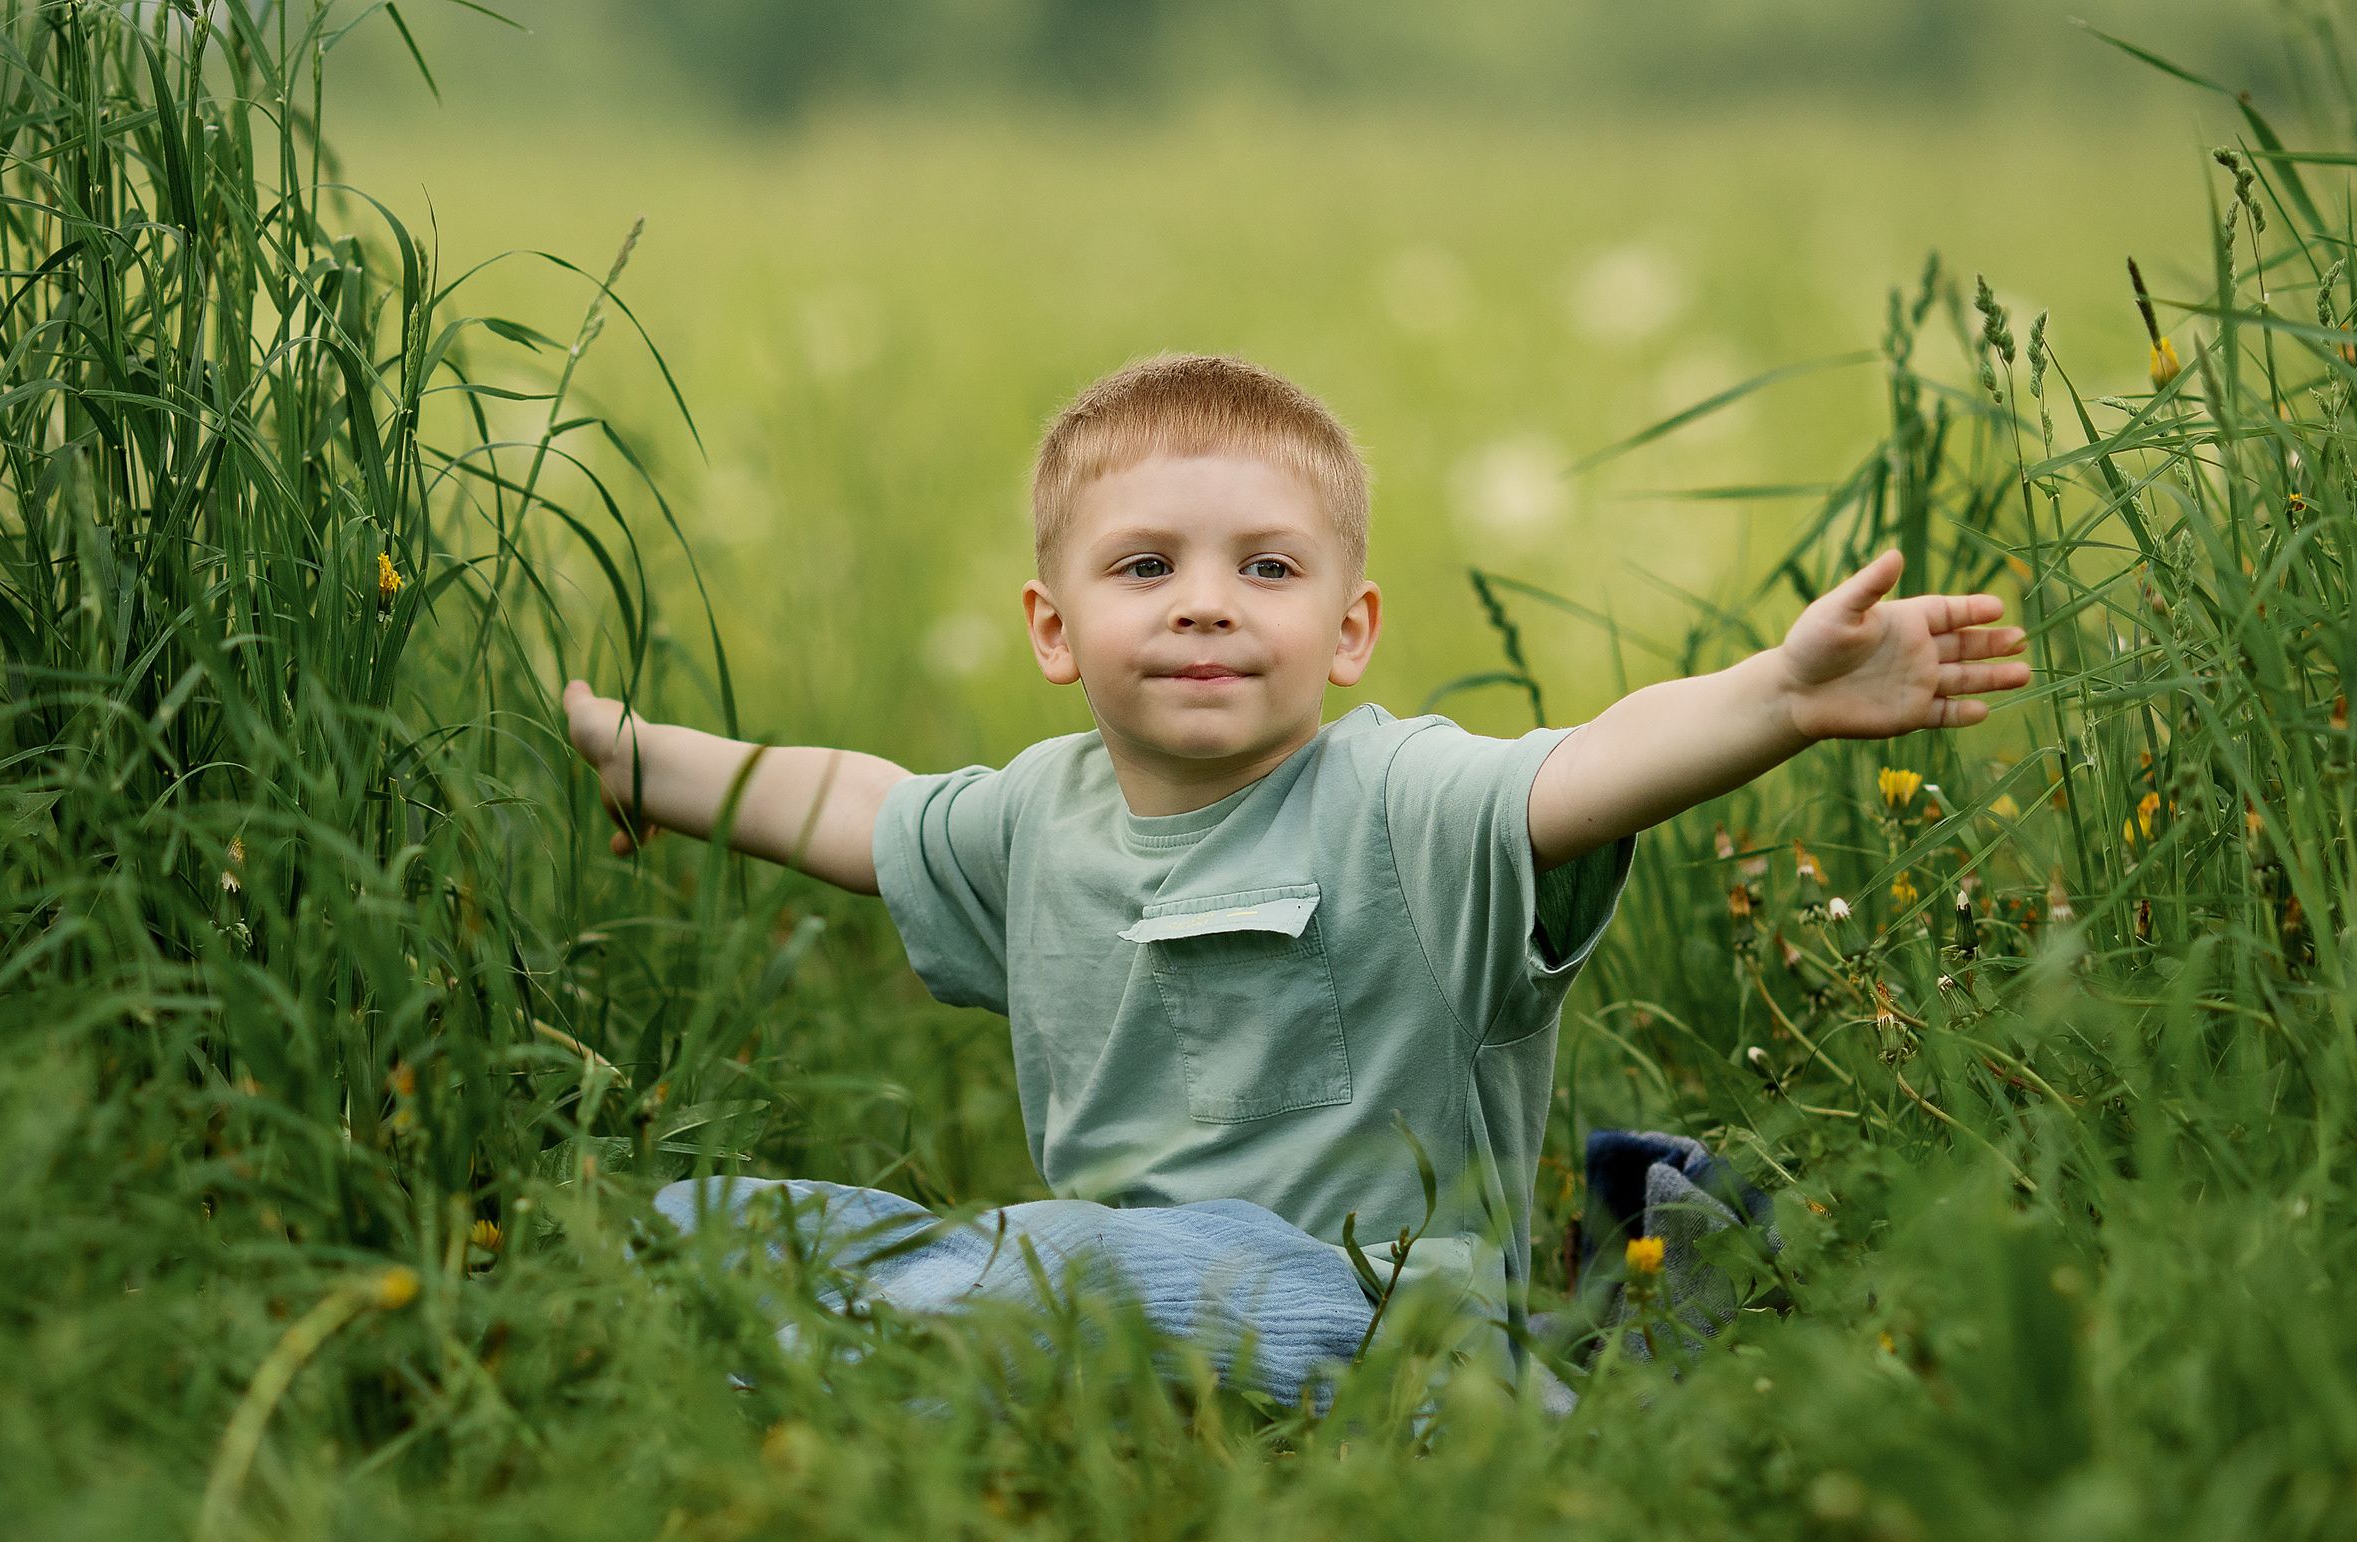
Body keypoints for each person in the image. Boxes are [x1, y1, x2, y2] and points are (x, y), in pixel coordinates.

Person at [563, 353, 2028, 1401]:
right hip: (1122, 1267)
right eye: (1146, 567)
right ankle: (855, 1326)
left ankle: (881, 1356)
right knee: (706, 1224)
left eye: (1267, 568)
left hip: (1377, 1302)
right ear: (1053, 628)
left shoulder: (1402, 800)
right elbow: (855, 807)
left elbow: (1586, 765)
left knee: (1074, 1271)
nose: (1206, 598)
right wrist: (641, 763)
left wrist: (1778, 696)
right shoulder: (1036, 817)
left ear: (1349, 628)